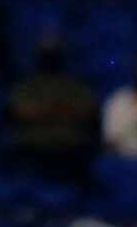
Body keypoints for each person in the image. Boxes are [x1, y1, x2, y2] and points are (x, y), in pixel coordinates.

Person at [6, 35, 98, 178]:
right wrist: (60, 109)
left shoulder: (75, 86)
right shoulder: (27, 86)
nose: (49, 58)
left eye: (53, 53)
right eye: (46, 53)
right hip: (32, 144)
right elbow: (22, 112)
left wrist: (44, 110)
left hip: (70, 145)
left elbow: (85, 113)